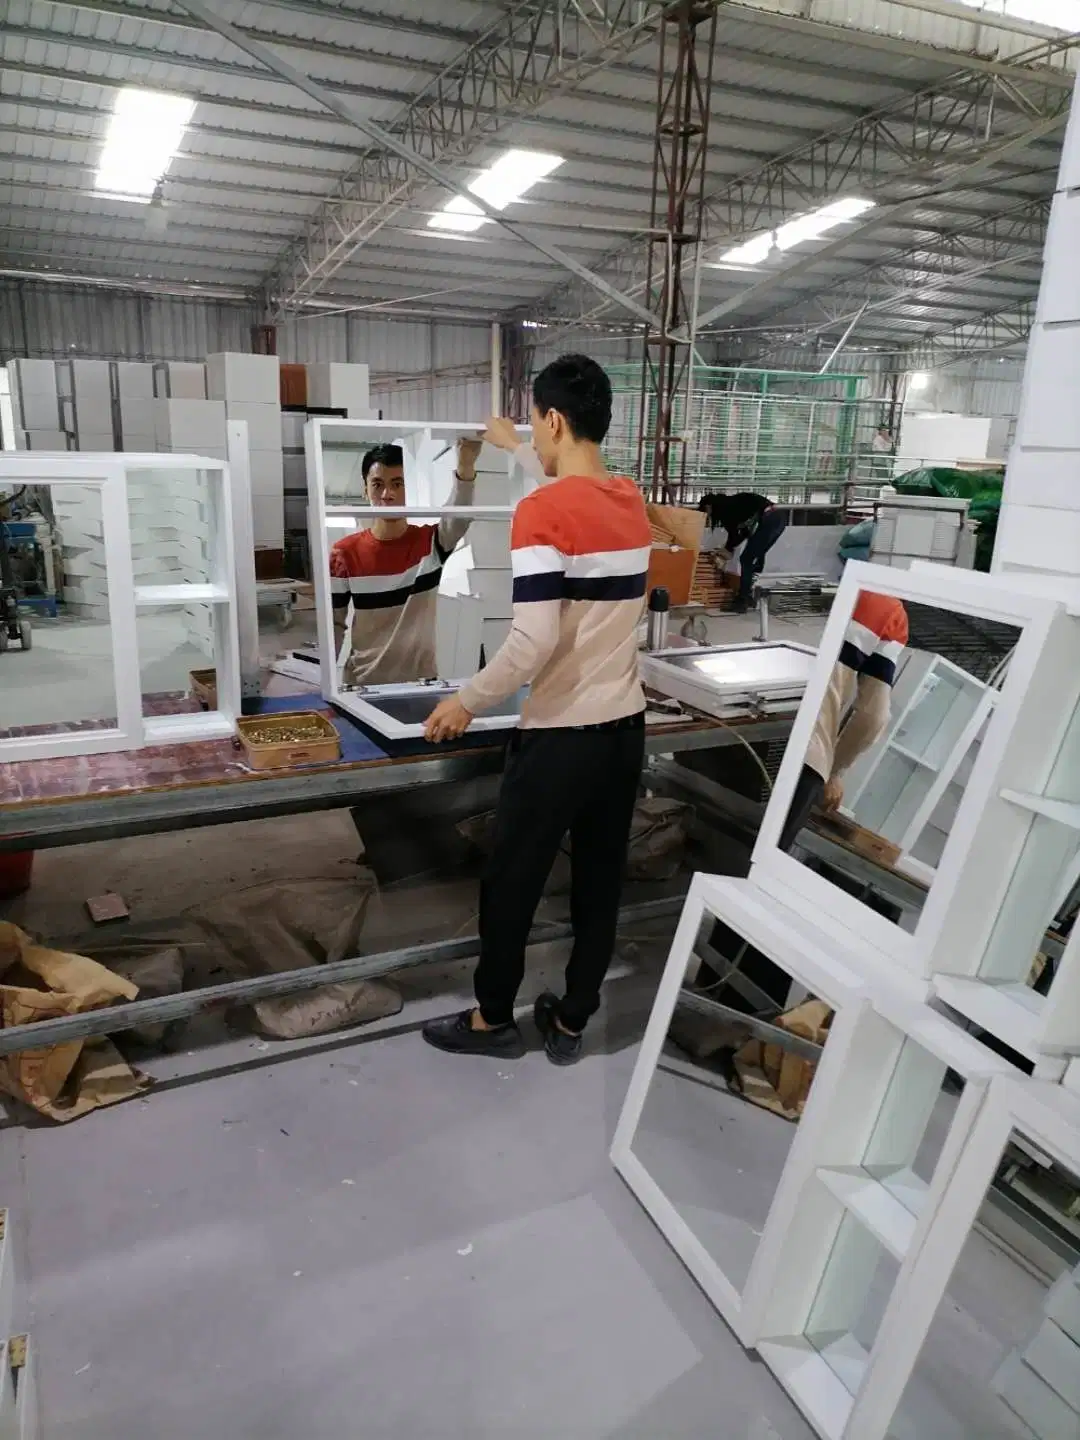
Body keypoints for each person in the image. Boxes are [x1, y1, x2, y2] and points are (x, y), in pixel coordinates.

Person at [419, 354, 652, 1066]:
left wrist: (464, 700)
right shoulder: (630, 500)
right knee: (600, 881)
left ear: (554, 419)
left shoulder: (539, 513)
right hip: (624, 733)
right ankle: (573, 1020)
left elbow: (531, 644)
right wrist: (514, 449)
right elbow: (568, 490)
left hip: (560, 739)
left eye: (536, 428)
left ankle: (494, 1020)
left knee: (513, 880)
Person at [329, 437, 481, 685]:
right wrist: (326, 687)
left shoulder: (430, 543)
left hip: (421, 683)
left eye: (397, 484)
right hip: (363, 684)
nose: (387, 494)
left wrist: (465, 466)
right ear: (365, 489)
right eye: (377, 484)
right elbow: (333, 626)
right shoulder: (344, 552)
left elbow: (459, 518)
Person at [780, 589, 909, 851]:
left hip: (787, 737)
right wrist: (833, 770)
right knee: (765, 855)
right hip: (814, 761)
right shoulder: (896, 615)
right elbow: (873, 717)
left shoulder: (863, 596)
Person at [697, 491, 787, 613]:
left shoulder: (726, 509)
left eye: (706, 512)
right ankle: (748, 596)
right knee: (754, 558)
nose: (708, 516)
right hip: (777, 518)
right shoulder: (734, 504)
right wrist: (729, 548)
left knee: (746, 559)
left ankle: (742, 601)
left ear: (709, 506)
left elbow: (736, 534)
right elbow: (742, 533)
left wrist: (726, 550)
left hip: (769, 520)